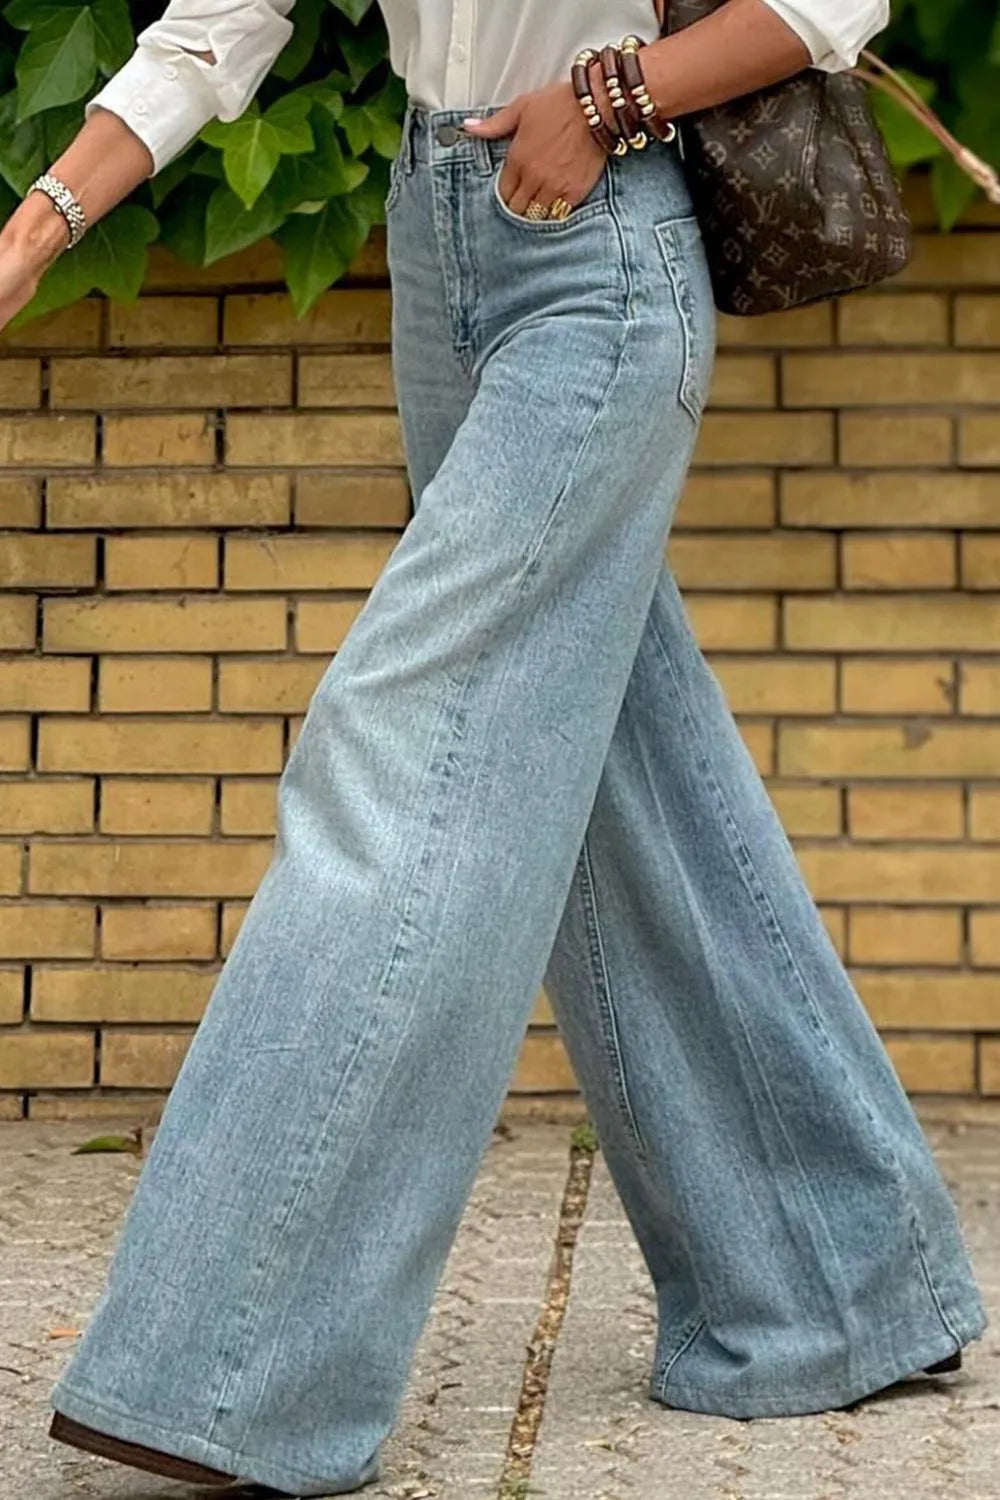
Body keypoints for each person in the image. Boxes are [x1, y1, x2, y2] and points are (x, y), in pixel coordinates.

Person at [1, 0, 982, 1494]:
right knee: (610, 773)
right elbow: (226, 17)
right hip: (440, 234)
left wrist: (610, 96)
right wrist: (45, 217)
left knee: (407, 740)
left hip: (599, 237)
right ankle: (833, 1288)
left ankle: (238, 1361)